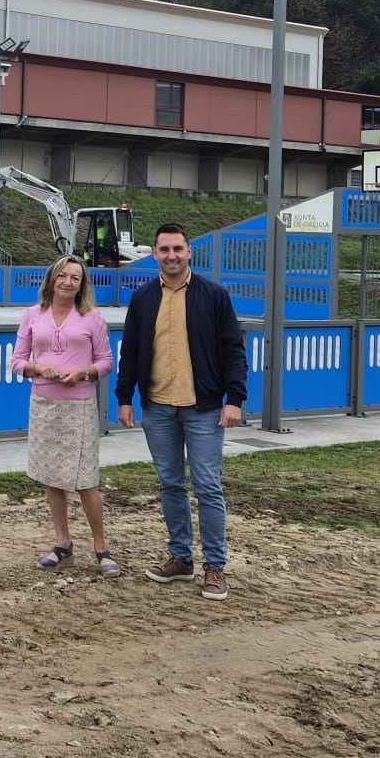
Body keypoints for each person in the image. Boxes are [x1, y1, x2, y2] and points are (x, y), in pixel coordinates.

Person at [114, 222, 246, 602]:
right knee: (170, 485)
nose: (171, 256)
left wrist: (234, 399)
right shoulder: (142, 299)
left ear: (189, 252)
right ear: (154, 254)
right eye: (164, 250)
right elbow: (131, 352)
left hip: (203, 410)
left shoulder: (214, 296)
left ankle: (215, 567)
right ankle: (181, 558)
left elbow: (233, 351)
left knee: (207, 487)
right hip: (157, 408)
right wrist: (125, 397)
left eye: (177, 249)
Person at [12, 256, 119, 577]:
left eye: (76, 278)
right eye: (63, 276)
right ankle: (63, 543)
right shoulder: (32, 315)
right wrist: (35, 367)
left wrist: (85, 372)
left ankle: (101, 546)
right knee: (52, 478)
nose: (68, 282)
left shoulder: (93, 318)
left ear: (82, 285)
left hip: (80, 406)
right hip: (44, 404)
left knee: (86, 481)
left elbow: (106, 361)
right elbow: (17, 360)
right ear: (52, 279)